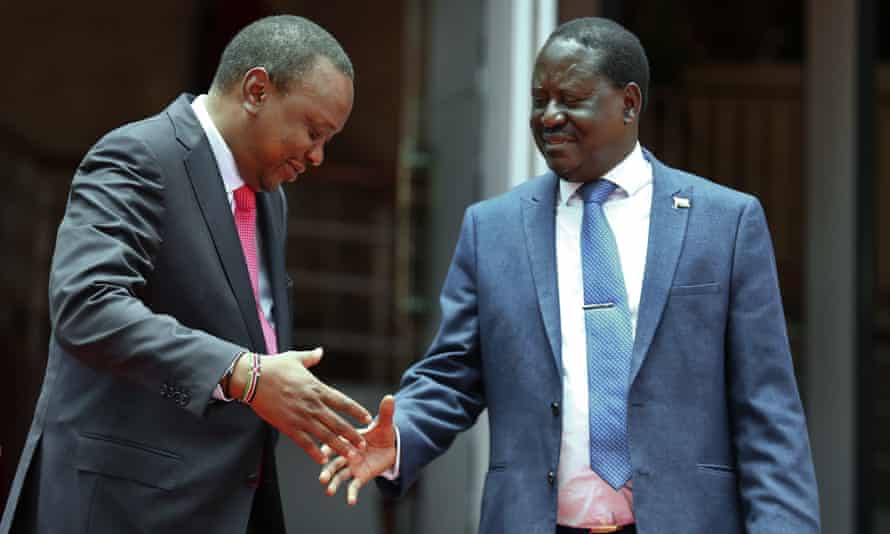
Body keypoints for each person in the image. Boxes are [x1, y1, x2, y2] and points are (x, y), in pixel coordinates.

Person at [319, 17, 820, 534]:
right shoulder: (492, 229)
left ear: (629, 103)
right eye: (540, 100)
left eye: (572, 98)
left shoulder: (726, 223)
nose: (550, 117)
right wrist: (399, 435)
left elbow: (768, 409)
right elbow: (452, 375)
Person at [1, 15, 374, 534]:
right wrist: (245, 375)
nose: (317, 155)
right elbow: (88, 305)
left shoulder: (271, 199)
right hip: (124, 507)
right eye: (313, 132)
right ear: (257, 90)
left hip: (223, 503)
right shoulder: (138, 157)